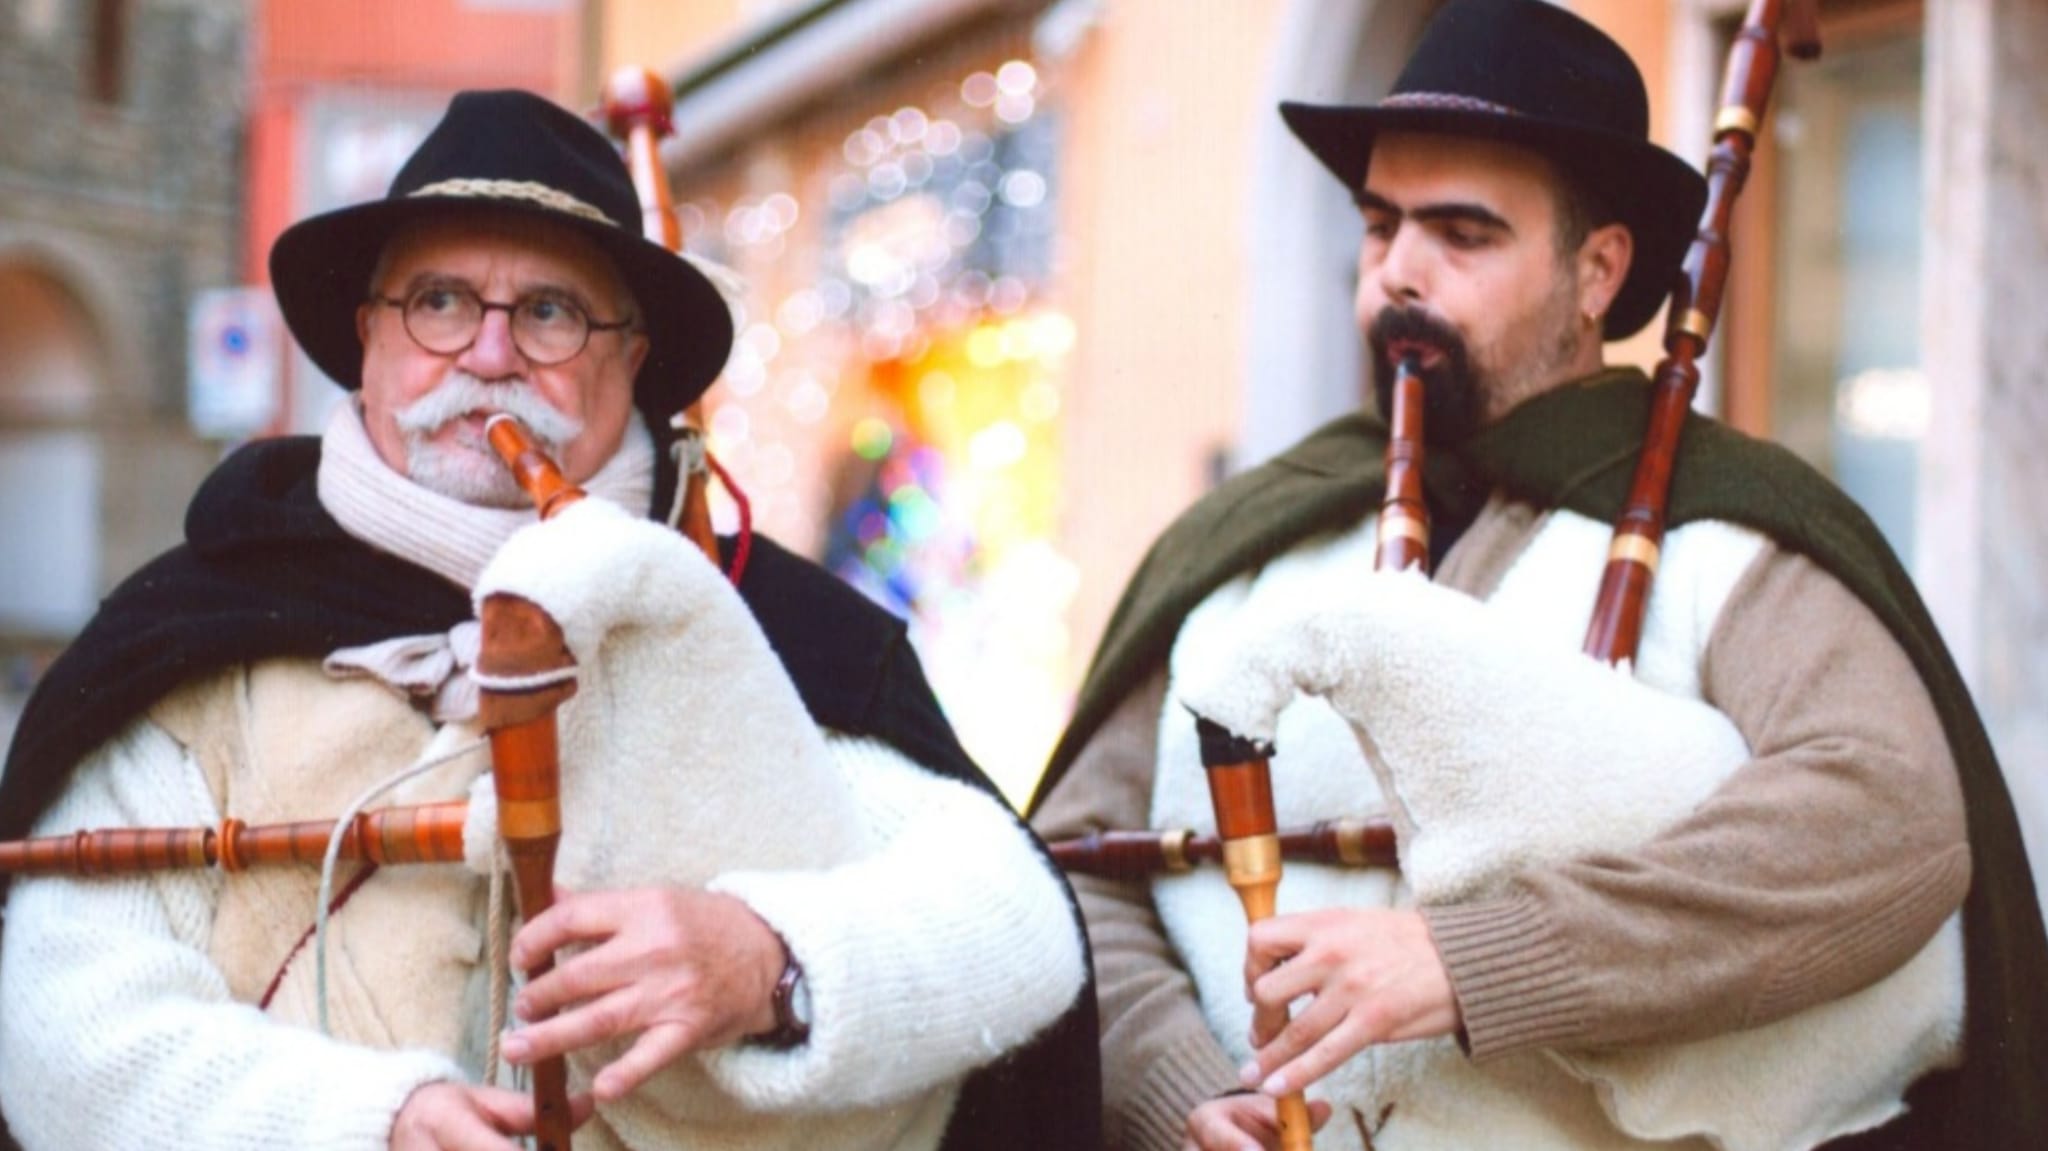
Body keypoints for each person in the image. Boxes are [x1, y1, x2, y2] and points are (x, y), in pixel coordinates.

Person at [1028, 2, 2047, 1149]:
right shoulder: (1245, 540)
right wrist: (1185, 1090)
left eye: (1462, 234)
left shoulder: (1731, 540)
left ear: (1596, 270)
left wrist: (1469, 961)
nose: (1399, 274)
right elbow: (1066, 873)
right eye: (1378, 227)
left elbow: (1880, 824)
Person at [0, 89, 1099, 1151]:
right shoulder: (206, 615)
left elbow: (1011, 921)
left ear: (628, 362)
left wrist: (769, 959)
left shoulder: (742, 612)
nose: (487, 356)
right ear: (367, 340)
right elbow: (65, 1020)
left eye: (549, 312)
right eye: (437, 301)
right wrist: (362, 1125)